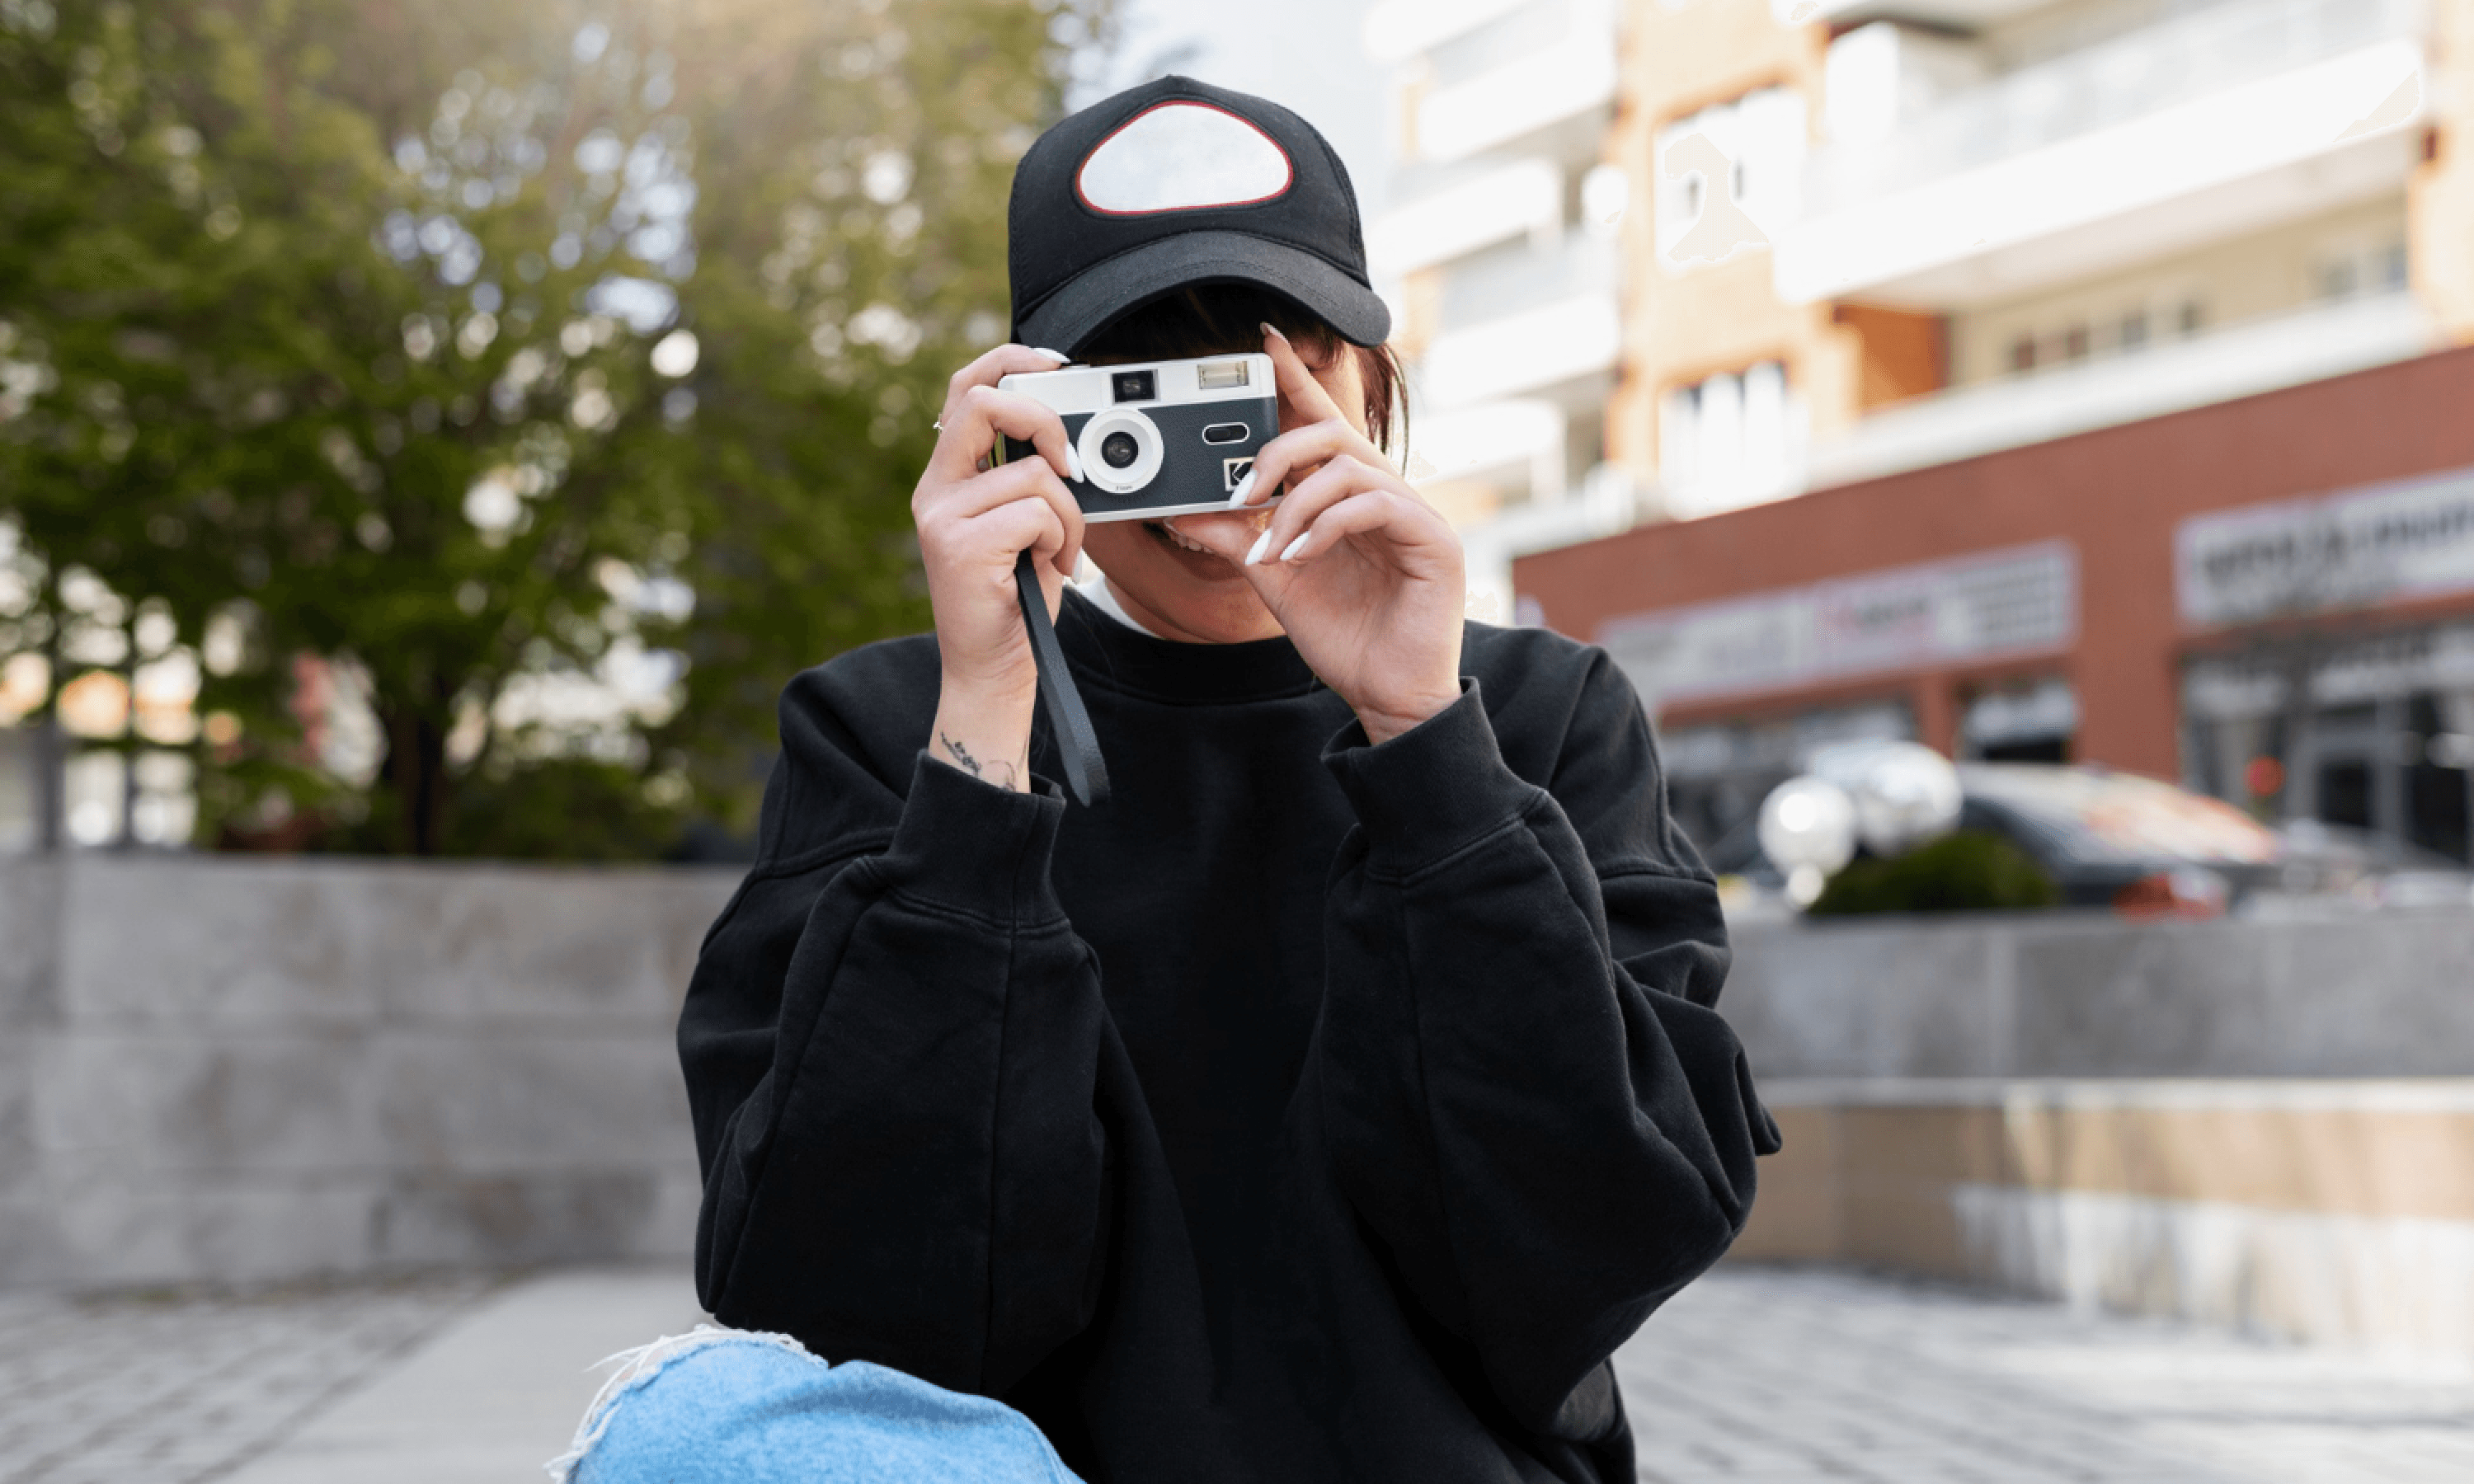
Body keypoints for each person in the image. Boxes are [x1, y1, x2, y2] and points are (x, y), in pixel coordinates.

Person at [675, 76, 1780, 1484]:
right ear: (1027, 414)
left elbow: (1594, 1247)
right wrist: (983, 747)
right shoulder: (888, 725)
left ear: (1375, 382)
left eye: (1268, 371)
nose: (1212, 468)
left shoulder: (1540, 716)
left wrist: (1427, 746)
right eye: (1142, 384)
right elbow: (846, 1299)